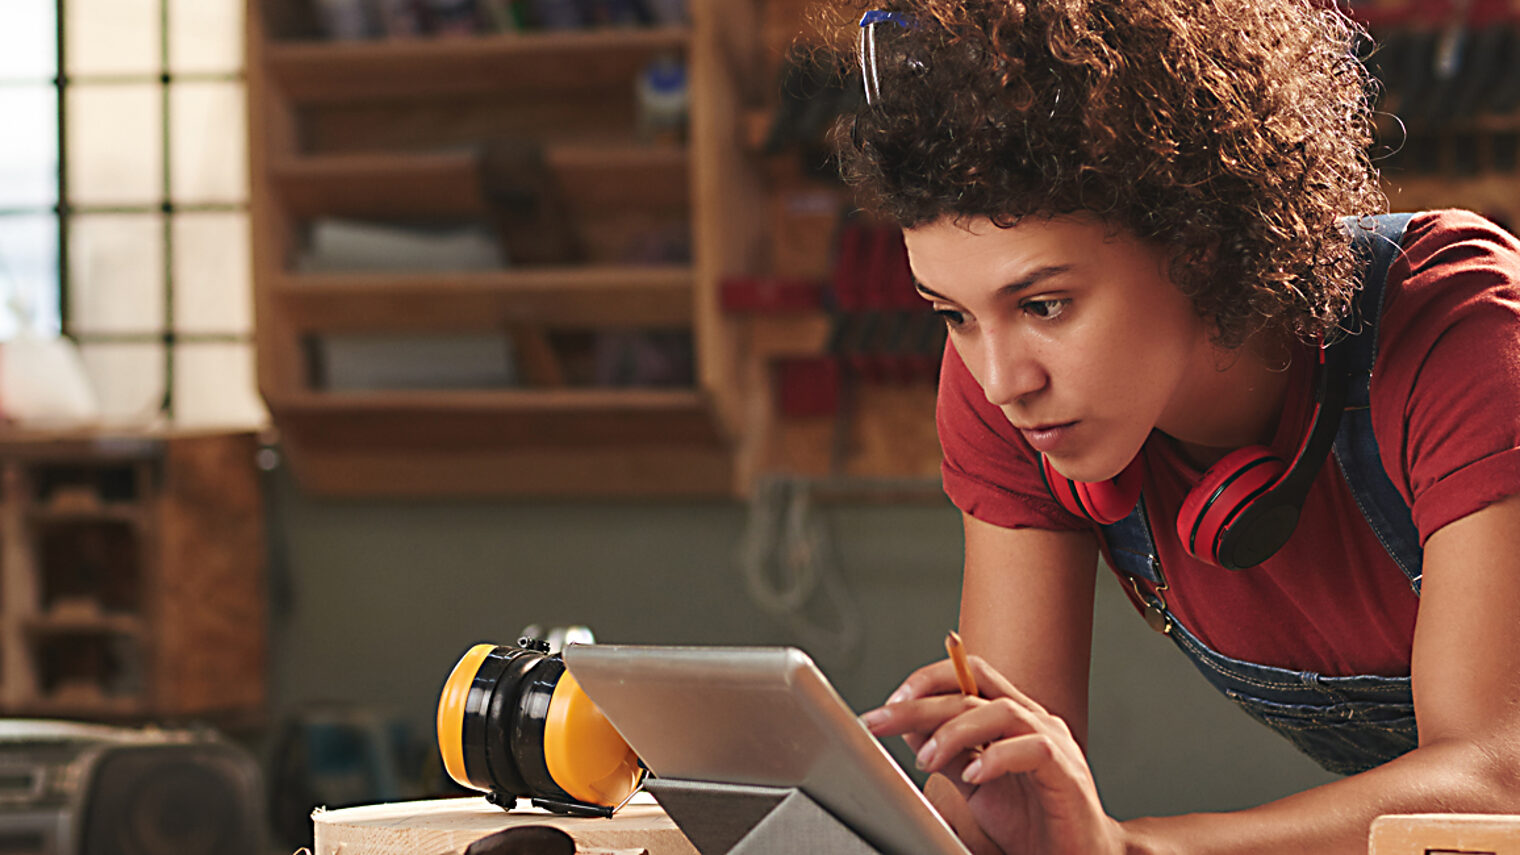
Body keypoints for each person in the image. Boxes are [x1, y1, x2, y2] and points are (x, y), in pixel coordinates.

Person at [826, 0, 1520, 852]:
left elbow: (1493, 781)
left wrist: (1130, 849)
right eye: (952, 315)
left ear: (1198, 244)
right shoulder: (1004, 384)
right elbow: (1002, 798)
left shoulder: (1468, 336)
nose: (1002, 380)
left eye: (1044, 304)